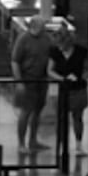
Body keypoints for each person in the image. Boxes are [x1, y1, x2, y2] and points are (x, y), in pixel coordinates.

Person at [10, 15, 54, 151]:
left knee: (37, 111)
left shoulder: (47, 38)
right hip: (28, 80)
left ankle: (33, 140)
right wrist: (19, 82)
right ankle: (21, 143)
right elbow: (15, 61)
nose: (45, 28)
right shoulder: (23, 39)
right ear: (35, 26)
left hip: (42, 80)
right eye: (42, 25)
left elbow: (53, 54)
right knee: (26, 112)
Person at [48, 26, 88, 150]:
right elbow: (50, 70)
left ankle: (78, 144)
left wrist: (83, 76)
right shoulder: (54, 52)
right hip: (61, 89)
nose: (60, 47)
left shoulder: (81, 51)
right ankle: (60, 146)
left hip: (78, 88)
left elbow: (87, 69)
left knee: (78, 116)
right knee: (60, 118)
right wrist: (62, 78)